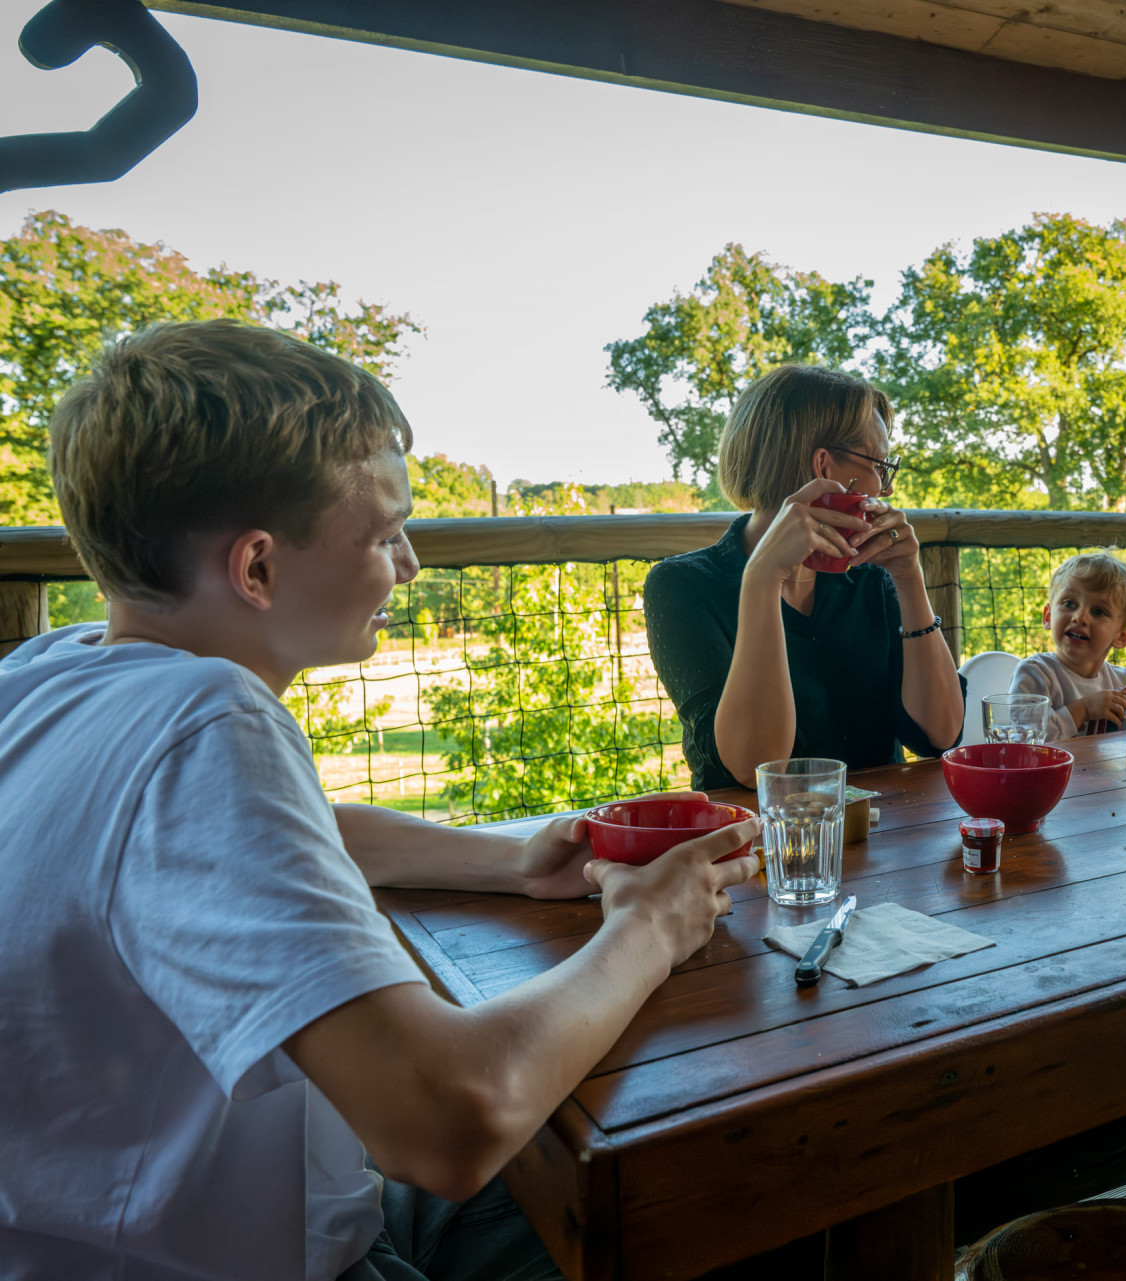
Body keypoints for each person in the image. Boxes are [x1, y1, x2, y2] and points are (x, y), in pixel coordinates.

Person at [0, 320, 762, 1281]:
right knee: (708, 1190)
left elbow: (272, 839)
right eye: (386, 532)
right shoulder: (208, 718)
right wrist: (651, 926)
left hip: (162, 1216)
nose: (409, 565)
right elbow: (451, 1117)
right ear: (258, 568)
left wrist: (511, 861)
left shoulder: (49, 673)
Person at [644, 365, 965, 791]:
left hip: (883, 841)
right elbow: (758, 766)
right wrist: (763, 577)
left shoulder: (869, 579)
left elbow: (940, 735)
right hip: (755, 847)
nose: (885, 489)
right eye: (880, 465)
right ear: (824, 467)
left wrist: (909, 579)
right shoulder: (682, 586)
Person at [1009, 551, 1126, 741]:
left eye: (1098, 611)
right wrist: (1083, 709)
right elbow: (1026, 739)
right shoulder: (1036, 675)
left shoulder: (1119, 681)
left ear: (1121, 637)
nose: (1079, 617)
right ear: (1048, 616)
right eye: (1069, 603)